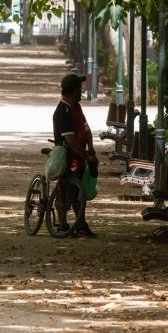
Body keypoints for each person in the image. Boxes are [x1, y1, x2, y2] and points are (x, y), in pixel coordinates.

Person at [52, 73, 98, 238]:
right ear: (73, 91)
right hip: (68, 158)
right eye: (79, 88)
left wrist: (91, 148)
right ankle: (62, 224)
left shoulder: (77, 107)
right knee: (65, 191)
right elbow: (70, 140)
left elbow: (87, 129)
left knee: (80, 192)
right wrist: (86, 155)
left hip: (80, 157)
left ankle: (80, 223)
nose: (81, 91)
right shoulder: (61, 112)